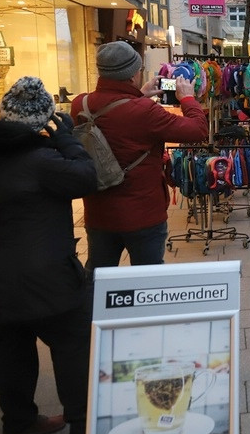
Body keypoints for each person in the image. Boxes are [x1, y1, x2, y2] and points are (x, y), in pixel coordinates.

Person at [0, 77, 97, 434]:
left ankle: (17, 423)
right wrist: (66, 136)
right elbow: (86, 176)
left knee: (11, 345)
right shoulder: (43, 160)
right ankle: (80, 427)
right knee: (72, 344)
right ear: (44, 122)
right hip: (49, 277)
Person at [71, 41, 208, 276]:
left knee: (97, 276)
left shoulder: (80, 104)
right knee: (147, 279)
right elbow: (197, 130)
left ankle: (93, 313)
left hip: (99, 211)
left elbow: (115, 113)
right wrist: (187, 98)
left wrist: (138, 95)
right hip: (143, 213)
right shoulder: (146, 112)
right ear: (134, 73)